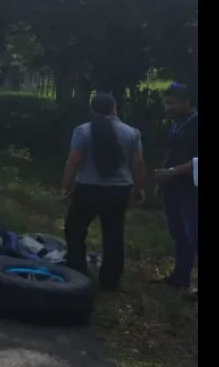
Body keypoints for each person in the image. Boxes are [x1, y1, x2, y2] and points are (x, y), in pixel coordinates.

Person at [61, 92, 145, 292]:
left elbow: (74, 160)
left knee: (75, 229)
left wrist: (66, 186)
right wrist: (139, 188)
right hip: (118, 191)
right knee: (114, 234)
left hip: (88, 189)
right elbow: (139, 163)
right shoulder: (132, 132)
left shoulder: (83, 131)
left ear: (93, 109)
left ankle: (76, 270)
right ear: (114, 108)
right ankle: (110, 281)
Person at [152, 83, 198, 292]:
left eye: (171, 103)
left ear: (186, 102)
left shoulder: (195, 123)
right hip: (173, 188)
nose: (166, 107)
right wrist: (162, 179)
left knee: (192, 234)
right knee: (178, 232)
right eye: (166, 103)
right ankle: (181, 275)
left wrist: (170, 172)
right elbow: (171, 152)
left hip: (191, 189)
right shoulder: (176, 123)